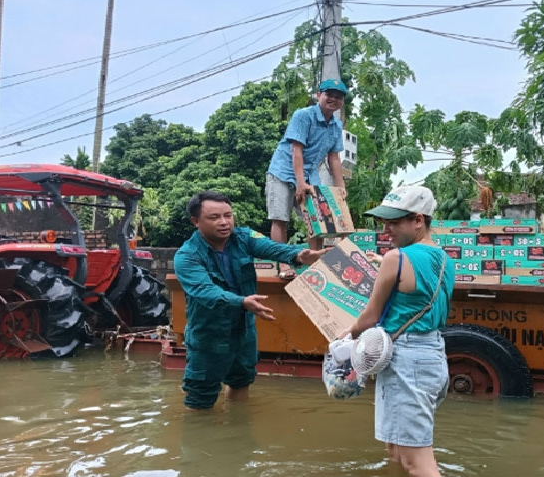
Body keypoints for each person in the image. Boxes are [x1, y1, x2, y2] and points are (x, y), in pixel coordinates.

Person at [173, 191, 326, 410]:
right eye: (214, 217)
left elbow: (271, 247)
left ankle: (236, 430)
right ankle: (200, 440)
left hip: (244, 330)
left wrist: (299, 255)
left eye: (228, 215)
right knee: (200, 394)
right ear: (195, 221)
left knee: (241, 381)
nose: (224, 222)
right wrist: (242, 302)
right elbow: (204, 291)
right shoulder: (187, 256)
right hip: (208, 334)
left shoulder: (243, 237)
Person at [347, 186, 454, 477]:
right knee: (396, 449)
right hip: (432, 355)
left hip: (407, 360)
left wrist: (344, 336)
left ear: (418, 220)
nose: (386, 229)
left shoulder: (397, 258)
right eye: (384, 222)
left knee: (417, 463)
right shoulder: (444, 259)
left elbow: (369, 317)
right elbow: (417, 287)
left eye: (393, 222)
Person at [266, 78, 348, 279]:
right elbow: (297, 151)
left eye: (338, 97)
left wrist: (340, 186)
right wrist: (300, 183)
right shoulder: (303, 116)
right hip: (283, 171)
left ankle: (316, 264)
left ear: (342, 102)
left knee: (316, 219)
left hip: (311, 173)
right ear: (319, 95)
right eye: (329, 95)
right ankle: (284, 266)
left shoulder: (337, 125)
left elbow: (334, 157)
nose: (333, 99)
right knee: (280, 218)